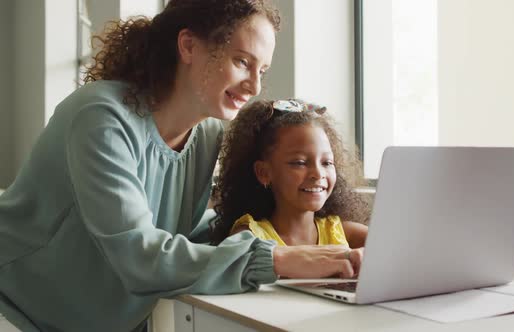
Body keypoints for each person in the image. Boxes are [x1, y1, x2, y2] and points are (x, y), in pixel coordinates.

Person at [0, 1, 363, 331]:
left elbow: (184, 232)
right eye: (242, 61)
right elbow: (139, 255)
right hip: (17, 312)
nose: (254, 85)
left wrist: (322, 237)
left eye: (262, 70)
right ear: (188, 45)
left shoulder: (206, 133)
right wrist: (279, 259)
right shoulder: (101, 118)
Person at [211, 99, 370, 254]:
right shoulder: (249, 236)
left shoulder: (346, 234)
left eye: (327, 162)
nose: (318, 173)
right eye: (299, 163)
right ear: (263, 173)